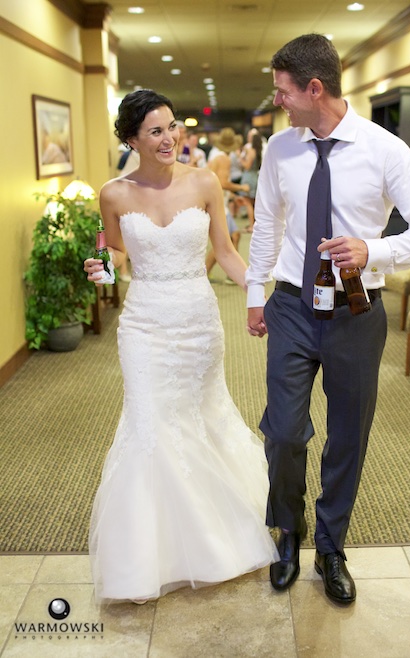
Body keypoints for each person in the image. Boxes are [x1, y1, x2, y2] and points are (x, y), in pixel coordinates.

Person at [245, 34, 410, 604]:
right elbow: (265, 225)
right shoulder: (280, 150)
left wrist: (373, 250)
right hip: (290, 303)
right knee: (283, 432)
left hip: (357, 312)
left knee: (348, 436)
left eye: (283, 90)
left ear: (315, 88)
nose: (277, 99)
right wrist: (256, 295)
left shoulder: (386, 150)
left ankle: (331, 546)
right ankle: (289, 531)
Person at [84, 89, 278, 604]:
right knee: (149, 423)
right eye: (155, 131)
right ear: (132, 139)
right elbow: (116, 257)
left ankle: (218, 536)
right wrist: (101, 269)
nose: (169, 138)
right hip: (144, 324)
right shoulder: (113, 194)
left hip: (197, 321)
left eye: (172, 127)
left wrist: (258, 295)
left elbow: (226, 252)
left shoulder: (204, 182)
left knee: (202, 416)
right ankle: (149, 557)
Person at [205, 128, 250, 280]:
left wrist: (233, 195)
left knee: (233, 237)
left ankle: (226, 274)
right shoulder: (224, 159)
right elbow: (222, 182)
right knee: (225, 243)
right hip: (219, 207)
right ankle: (230, 275)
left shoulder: (216, 157)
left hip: (218, 204)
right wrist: (240, 188)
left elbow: (216, 182)